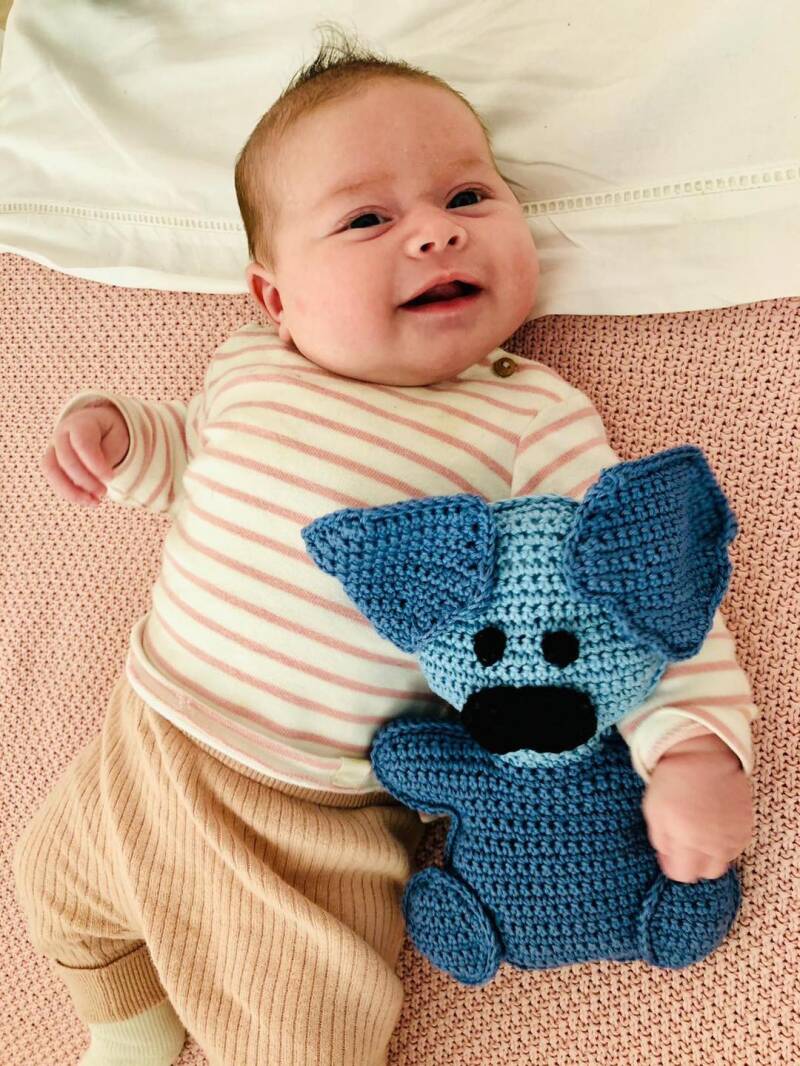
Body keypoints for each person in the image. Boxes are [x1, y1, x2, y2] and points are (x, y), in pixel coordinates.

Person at [14, 26, 756, 1066]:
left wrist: (691, 746)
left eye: (469, 197)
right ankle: (127, 1033)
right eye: (368, 218)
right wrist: (118, 437)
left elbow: (632, 599)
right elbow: (191, 466)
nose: (436, 234)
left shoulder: (527, 417)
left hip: (322, 811)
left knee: (312, 1033)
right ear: (276, 299)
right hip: (148, 730)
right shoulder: (248, 367)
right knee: (53, 886)